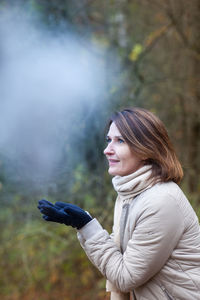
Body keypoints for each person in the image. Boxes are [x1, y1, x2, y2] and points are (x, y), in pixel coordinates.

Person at [38, 107, 200, 300]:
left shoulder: (160, 202)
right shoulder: (129, 193)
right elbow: (120, 257)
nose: (107, 150)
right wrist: (84, 223)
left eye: (120, 141)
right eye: (109, 140)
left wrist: (87, 227)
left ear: (145, 150)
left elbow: (126, 277)